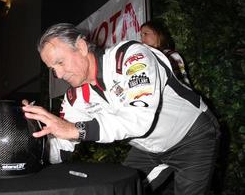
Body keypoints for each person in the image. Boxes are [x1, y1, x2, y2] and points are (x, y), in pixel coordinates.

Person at [22, 23, 220, 195]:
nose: (58, 73)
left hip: (193, 136)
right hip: (148, 148)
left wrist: (75, 129)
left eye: (60, 62)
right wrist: (29, 137)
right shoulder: (75, 98)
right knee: (119, 190)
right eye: (52, 69)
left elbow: (139, 119)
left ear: (81, 47)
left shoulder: (130, 56)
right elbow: (61, 148)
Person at [140, 20, 191, 86]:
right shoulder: (145, 57)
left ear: (158, 34)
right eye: (141, 35)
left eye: (145, 34)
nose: (142, 39)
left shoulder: (172, 55)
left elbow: (181, 82)